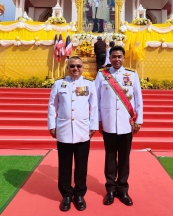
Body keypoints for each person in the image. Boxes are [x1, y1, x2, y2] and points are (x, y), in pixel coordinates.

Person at [48, 56, 98, 212]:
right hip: (63, 130)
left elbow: (94, 106)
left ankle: (79, 194)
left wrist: (93, 125)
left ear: (82, 68)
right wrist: (51, 125)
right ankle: (67, 195)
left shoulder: (89, 84)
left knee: (81, 165)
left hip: (83, 131)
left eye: (78, 66)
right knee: (64, 165)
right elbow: (52, 105)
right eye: (72, 66)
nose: (75, 69)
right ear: (67, 67)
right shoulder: (59, 84)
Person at [95, 46, 143, 207]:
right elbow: (96, 100)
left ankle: (122, 188)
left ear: (123, 58)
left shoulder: (132, 74)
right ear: (109, 58)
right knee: (109, 157)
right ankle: (110, 188)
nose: (117, 59)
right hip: (108, 123)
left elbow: (138, 100)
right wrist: (98, 121)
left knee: (124, 157)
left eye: (119, 56)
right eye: (114, 56)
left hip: (126, 124)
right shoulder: (102, 75)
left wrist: (139, 120)